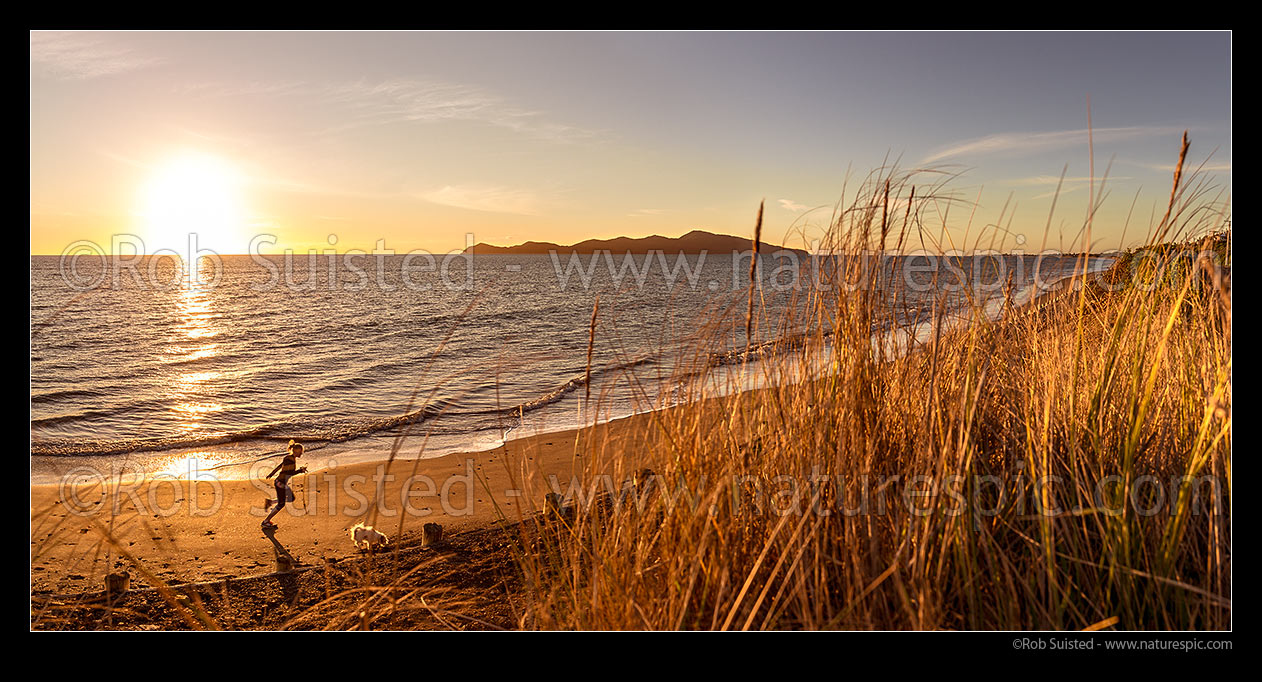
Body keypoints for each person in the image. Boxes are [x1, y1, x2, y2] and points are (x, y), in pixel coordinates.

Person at [261, 440, 307, 529]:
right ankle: (265, 521)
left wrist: (271, 473)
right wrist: (300, 471)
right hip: (280, 483)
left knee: (290, 498)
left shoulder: (289, 458)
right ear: (296, 451)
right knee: (281, 504)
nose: (301, 454)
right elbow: (288, 473)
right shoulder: (289, 459)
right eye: (300, 452)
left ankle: (270, 502)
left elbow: (280, 466)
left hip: (281, 482)